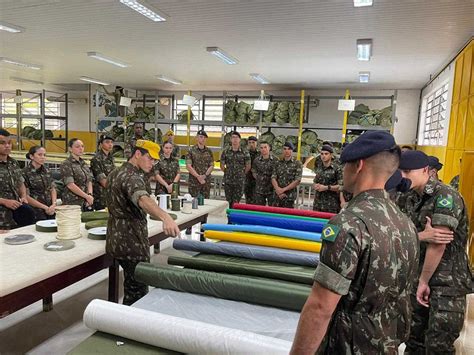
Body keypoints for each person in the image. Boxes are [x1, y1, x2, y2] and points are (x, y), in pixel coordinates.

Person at [290, 131, 419, 355]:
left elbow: (321, 306)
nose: (343, 171)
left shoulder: (349, 224)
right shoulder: (405, 223)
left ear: (358, 166)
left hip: (348, 345)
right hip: (386, 343)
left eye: (345, 165)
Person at [398, 150, 472, 354]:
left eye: (407, 171)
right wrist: (420, 236)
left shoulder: (446, 196)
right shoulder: (407, 197)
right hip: (417, 278)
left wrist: (423, 280)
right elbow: (399, 232)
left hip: (446, 285)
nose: (403, 176)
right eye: (400, 171)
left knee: (438, 345)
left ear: (425, 170)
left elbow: (438, 242)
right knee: (413, 342)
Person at [106, 139, 180, 306]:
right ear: (137, 154)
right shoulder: (132, 177)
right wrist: (165, 217)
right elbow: (142, 198)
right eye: (150, 158)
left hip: (115, 237)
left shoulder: (115, 173)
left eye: (155, 160)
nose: (152, 163)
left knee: (131, 284)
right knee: (137, 291)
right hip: (131, 241)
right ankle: (129, 326)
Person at [0, 129, 29, 230]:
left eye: (9, 143)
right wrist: (4, 201)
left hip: (15, 217)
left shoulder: (13, 163)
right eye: (2, 143)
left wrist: (24, 196)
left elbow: (20, 183)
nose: (7, 146)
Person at [23, 146, 57, 221]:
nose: (43, 157)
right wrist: (45, 207)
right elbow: (26, 196)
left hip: (51, 210)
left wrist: (54, 204)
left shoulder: (47, 170)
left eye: (44, 155)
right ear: (32, 156)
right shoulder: (25, 173)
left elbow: (52, 188)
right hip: (36, 211)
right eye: (40, 155)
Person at [60, 138, 94, 211]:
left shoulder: (84, 163)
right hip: (72, 202)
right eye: (77, 147)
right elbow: (70, 185)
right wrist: (86, 196)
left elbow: (89, 181)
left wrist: (90, 195)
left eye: (82, 146)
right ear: (70, 149)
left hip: (85, 201)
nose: (81, 149)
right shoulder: (66, 164)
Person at [220, 131, 251, 207]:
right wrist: (227, 172)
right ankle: (229, 217)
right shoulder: (226, 151)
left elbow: (248, 166)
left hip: (239, 181)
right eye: (233, 137)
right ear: (230, 139)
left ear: (240, 139)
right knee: (228, 200)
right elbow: (222, 165)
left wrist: (242, 174)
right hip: (228, 180)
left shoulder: (244, 152)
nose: (235, 139)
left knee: (236, 202)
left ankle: (234, 217)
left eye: (236, 137)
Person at [312, 145, 343, 213]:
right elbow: (315, 181)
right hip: (318, 204)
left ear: (331, 155)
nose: (323, 156)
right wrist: (315, 185)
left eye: (326, 154)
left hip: (331, 205)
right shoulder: (319, 167)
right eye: (322, 154)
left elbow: (341, 186)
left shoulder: (337, 168)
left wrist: (326, 187)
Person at [271, 142, 302, 208]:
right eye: (285, 149)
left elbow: (297, 180)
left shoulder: (297, 163)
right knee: (275, 216)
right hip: (277, 195)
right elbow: (273, 177)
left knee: (287, 217)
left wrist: (283, 190)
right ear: (283, 150)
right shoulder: (278, 162)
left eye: (289, 149)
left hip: (289, 197)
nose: (287, 151)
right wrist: (278, 190)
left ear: (292, 150)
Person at [186, 130, 214, 198]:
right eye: (201, 137)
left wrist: (204, 175)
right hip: (194, 182)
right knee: (193, 202)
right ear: (197, 138)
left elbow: (211, 165)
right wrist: (198, 177)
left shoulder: (209, 151)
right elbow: (188, 166)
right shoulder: (191, 150)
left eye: (204, 137)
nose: (203, 139)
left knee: (206, 202)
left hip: (205, 182)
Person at [90, 135, 116, 210]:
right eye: (107, 142)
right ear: (101, 145)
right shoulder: (97, 159)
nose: (110, 144)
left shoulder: (111, 158)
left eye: (111, 142)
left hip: (111, 194)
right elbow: (103, 181)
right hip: (101, 196)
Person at [252, 141, 276, 206]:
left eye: (265, 147)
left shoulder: (275, 160)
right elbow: (253, 171)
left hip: (271, 189)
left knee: (272, 210)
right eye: (261, 148)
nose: (263, 149)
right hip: (260, 190)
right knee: (259, 210)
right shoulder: (256, 160)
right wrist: (258, 178)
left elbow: (277, 173)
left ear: (269, 148)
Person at [244, 136, 259, 204]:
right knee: (248, 199)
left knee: (256, 200)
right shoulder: (244, 153)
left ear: (256, 143)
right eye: (249, 142)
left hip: (257, 180)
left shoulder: (260, 154)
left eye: (253, 142)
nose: (251, 144)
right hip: (247, 179)